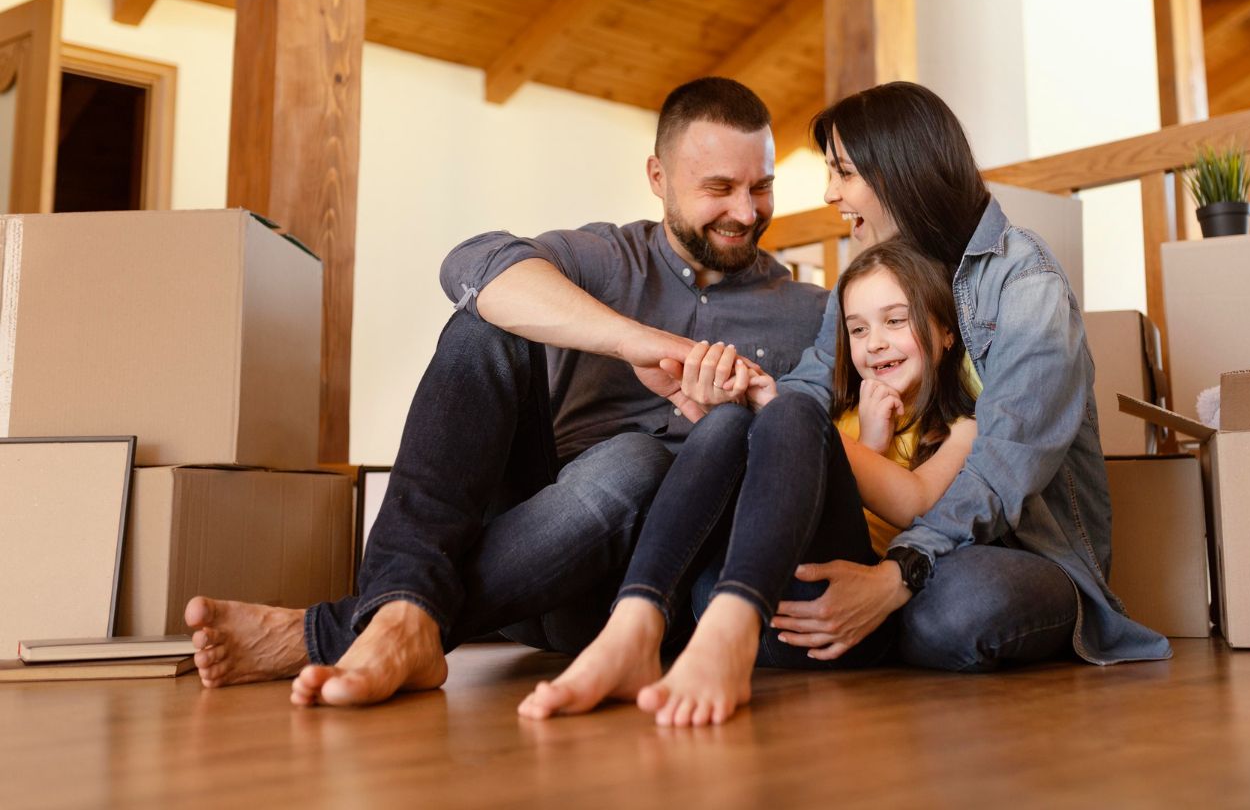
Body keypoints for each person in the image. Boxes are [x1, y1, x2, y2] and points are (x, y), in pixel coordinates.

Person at [183, 77, 828, 706]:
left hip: (638, 589)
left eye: (762, 188)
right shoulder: (606, 257)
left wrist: (747, 412)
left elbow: (815, 459)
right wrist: (639, 343)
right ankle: (401, 608)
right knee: (485, 323)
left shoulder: (811, 313)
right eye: (719, 188)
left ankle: (356, 628)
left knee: (640, 461)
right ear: (658, 178)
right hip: (532, 533)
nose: (746, 213)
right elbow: (469, 266)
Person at [760, 81, 1172, 673]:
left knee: (957, 609)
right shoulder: (871, 277)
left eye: (843, 172)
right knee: (755, 601)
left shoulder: (1026, 285)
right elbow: (807, 387)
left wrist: (900, 570)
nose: (830, 194)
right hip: (896, 537)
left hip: (1020, 550)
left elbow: (1003, 470)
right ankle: (867, 620)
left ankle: (880, 617)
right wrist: (754, 399)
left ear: (899, 172)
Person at [517, 241, 980, 725]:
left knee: (791, 411)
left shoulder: (960, 429)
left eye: (895, 320)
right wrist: (757, 411)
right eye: (858, 329)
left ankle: (719, 627)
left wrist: (866, 439)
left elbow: (916, 502)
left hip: (831, 622)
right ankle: (635, 623)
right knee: (725, 424)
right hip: (720, 600)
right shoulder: (838, 414)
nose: (875, 342)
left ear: (947, 332)